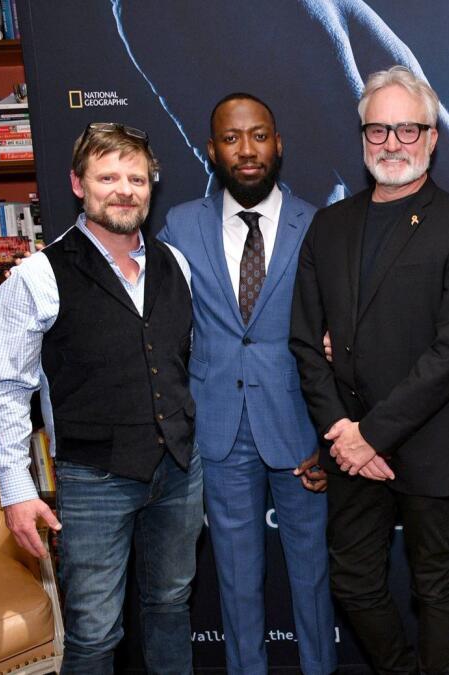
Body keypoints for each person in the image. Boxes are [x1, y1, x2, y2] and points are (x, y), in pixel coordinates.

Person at [289, 65, 449, 675]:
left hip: (427, 442)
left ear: (432, 139)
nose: (392, 144)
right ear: (361, 139)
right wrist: (344, 433)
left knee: (434, 590)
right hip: (351, 447)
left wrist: (372, 433)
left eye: (408, 130)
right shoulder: (330, 226)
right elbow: (304, 341)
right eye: (379, 131)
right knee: (353, 583)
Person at [0, 123, 201, 674]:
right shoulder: (36, 276)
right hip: (94, 478)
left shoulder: (177, 265)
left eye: (136, 177)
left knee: (171, 607)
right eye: (108, 176)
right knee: (96, 634)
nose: (124, 189)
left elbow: (177, 363)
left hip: (178, 470)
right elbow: (8, 392)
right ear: (78, 184)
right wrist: (15, 491)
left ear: (151, 187)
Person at [157, 93, 335, 675]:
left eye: (258, 135)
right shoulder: (181, 225)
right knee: (236, 584)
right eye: (231, 139)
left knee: (312, 579)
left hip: (301, 429)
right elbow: (159, 325)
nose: (247, 149)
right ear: (212, 150)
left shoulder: (320, 224)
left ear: (278, 144)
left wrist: (332, 431)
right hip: (220, 430)